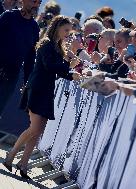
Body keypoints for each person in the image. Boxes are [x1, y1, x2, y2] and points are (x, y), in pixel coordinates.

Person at [2, 15, 80, 179]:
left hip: (45, 90)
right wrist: (69, 66)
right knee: (35, 128)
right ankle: (11, 155)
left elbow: (57, 70)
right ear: (57, 28)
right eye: (66, 30)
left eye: (69, 31)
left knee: (38, 131)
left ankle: (23, 163)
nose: (68, 33)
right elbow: (50, 67)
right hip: (37, 89)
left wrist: (73, 74)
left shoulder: (58, 47)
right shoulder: (47, 44)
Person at [0, 0, 41, 118]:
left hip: (10, 77)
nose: (37, 5)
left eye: (39, 2)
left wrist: (27, 81)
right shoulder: (8, 16)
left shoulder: (34, 28)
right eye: (34, 1)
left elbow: (30, 57)